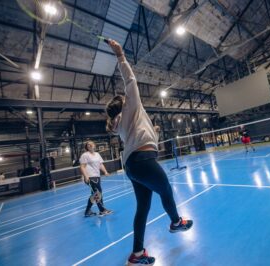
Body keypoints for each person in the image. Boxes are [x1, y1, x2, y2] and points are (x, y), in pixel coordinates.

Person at [105, 39, 193, 266]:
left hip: (133, 166)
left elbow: (140, 136)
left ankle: (136, 254)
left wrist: (152, 132)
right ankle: (175, 222)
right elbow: (130, 80)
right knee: (165, 189)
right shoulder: (131, 106)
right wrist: (120, 55)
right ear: (124, 103)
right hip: (143, 161)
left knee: (143, 208)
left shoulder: (122, 122)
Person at [79, 140, 113, 217]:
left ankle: (88, 211)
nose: (90, 145)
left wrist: (105, 172)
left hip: (97, 176)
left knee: (94, 194)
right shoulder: (85, 155)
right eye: (88, 145)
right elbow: (82, 167)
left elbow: (100, 164)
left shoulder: (97, 154)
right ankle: (102, 210)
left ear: (94, 145)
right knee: (98, 192)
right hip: (90, 176)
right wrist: (86, 176)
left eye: (91, 144)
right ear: (86, 147)